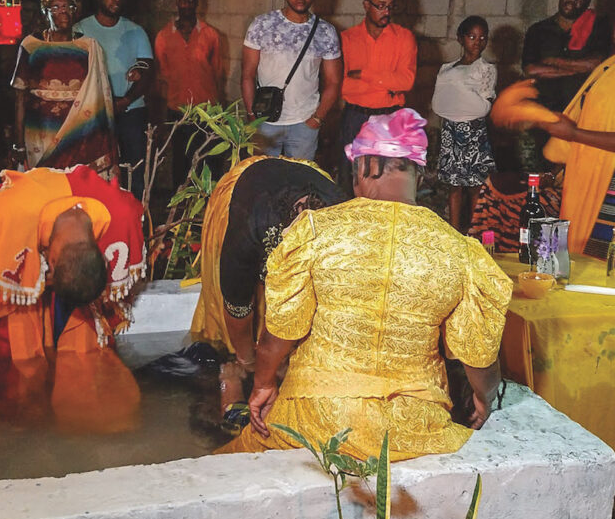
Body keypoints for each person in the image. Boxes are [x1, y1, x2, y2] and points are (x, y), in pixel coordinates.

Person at [217, 108, 512, 461]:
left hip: (314, 419)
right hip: (413, 430)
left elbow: (279, 334)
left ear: (363, 169)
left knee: (231, 460)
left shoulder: (316, 231)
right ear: (418, 173)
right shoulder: (461, 252)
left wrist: (264, 384)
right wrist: (483, 397)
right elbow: (479, 357)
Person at [189, 155, 345, 430]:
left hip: (304, 181)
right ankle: (231, 369)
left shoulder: (344, 229)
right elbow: (236, 307)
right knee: (237, 299)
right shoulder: (249, 227)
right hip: (247, 192)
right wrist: (249, 361)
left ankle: (282, 360)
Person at [0, 164, 146, 361]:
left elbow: (106, 290)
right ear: (51, 263)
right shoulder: (6, 219)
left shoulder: (123, 218)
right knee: (18, 341)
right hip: (22, 220)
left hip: (49, 225)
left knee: (88, 339)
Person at [11, 0, 117, 174]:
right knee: (45, 186)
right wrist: (19, 144)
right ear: (46, 12)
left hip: (79, 135)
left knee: (76, 187)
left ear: (75, 10)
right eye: (56, 7)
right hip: (40, 133)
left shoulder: (89, 47)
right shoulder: (31, 45)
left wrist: (108, 145)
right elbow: (20, 98)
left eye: (67, 6)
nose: (63, 11)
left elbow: (101, 101)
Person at [241, 0, 342, 159]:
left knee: (300, 176)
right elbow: (247, 74)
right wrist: (253, 116)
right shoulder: (262, 25)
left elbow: (334, 81)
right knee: (263, 175)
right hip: (266, 122)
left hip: (304, 124)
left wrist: (317, 119)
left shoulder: (326, 32)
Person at [520, 55, 615, 256]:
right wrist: (555, 173)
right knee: (588, 261)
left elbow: (578, 132)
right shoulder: (609, 66)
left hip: (608, 192)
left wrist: (574, 134)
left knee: (603, 260)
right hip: (590, 183)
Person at [77, 0, 153, 199]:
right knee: (97, 169)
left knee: (135, 169)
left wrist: (126, 100)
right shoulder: (80, 30)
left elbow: (147, 70)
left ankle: (136, 213)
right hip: (94, 112)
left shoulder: (135, 31)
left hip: (131, 110)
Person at [338, 0, 417, 193]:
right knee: (350, 180)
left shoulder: (404, 38)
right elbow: (343, 86)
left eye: (390, 6)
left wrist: (364, 75)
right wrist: (386, 86)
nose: (386, 12)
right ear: (366, 5)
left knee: (388, 182)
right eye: (380, 6)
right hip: (355, 118)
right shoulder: (347, 39)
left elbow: (406, 81)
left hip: (390, 119)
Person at [432, 15, 497, 233]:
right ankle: (455, 233)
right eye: (472, 37)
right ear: (461, 38)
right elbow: (439, 104)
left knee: (476, 186)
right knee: (455, 185)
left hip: (474, 132)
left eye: (482, 38)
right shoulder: (446, 69)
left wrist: (459, 91)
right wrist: (464, 91)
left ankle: (474, 234)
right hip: (451, 130)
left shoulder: (486, 69)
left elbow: (483, 108)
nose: (477, 42)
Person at [154, 0, 223, 184]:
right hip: (178, 111)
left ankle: (207, 200)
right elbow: (163, 73)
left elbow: (217, 70)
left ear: (197, 3)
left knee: (208, 161)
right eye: (183, 0)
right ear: (176, 2)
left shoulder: (210, 34)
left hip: (206, 111)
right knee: (180, 162)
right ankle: (180, 199)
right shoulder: (163, 36)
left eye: (191, 0)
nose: (187, 4)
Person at [522, 0, 611, 113]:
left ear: (588, 2)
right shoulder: (538, 30)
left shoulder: (598, 28)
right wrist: (576, 70)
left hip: (582, 110)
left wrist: (554, 61)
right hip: (543, 110)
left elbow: (597, 64)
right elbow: (531, 70)